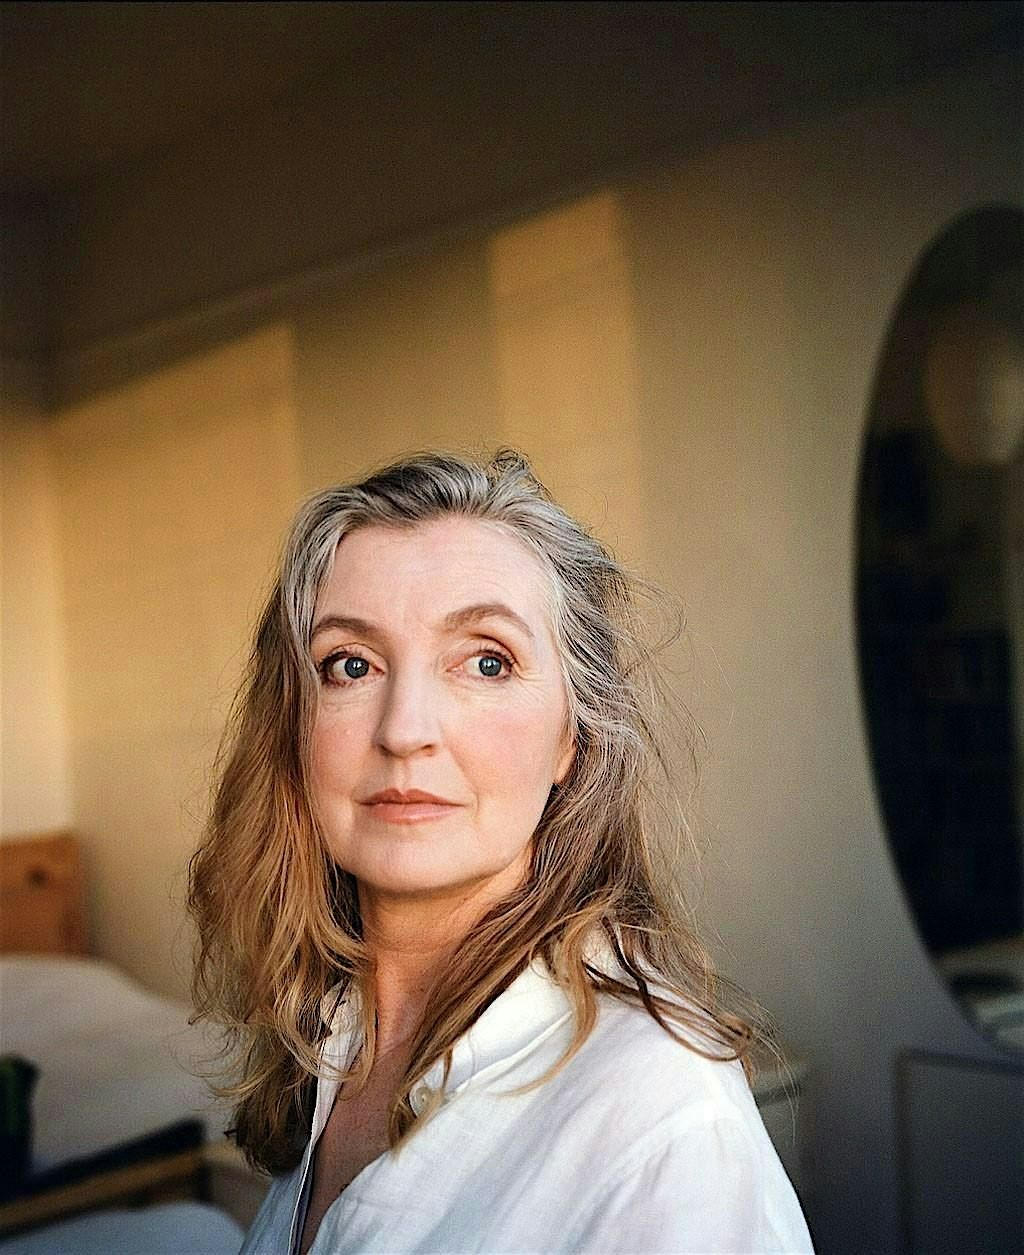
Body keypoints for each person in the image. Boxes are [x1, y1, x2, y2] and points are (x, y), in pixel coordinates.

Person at [189, 450, 813, 1254]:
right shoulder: (329, 1048)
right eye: (350, 665)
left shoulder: (664, 1120)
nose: (405, 729)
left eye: (487, 661)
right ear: (293, 730)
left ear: (571, 738)